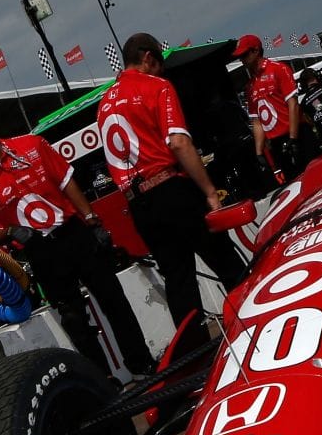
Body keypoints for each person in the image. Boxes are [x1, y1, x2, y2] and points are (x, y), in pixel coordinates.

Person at [0, 113, 155, 376]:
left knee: (113, 297)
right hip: (41, 252)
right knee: (74, 319)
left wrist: (92, 221)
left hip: (74, 233)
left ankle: (141, 363)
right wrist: (11, 232)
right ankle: (103, 381)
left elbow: (67, 182)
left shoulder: (32, 145)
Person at [98, 33, 249, 338]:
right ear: (149, 58)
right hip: (171, 189)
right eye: (159, 66)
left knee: (178, 280)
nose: (161, 72)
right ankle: (264, 319)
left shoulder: (103, 106)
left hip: (139, 204)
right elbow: (179, 142)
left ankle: (194, 357)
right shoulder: (156, 86)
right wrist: (209, 191)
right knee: (226, 261)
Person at [235, 35, 301, 181]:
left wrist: (293, 138)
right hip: (276, 144)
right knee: (292, 184)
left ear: (256, 51)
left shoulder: (279, 69)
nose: (242, 60)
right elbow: (256, 121)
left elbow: (293, 104)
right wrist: (259, 152)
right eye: (239, 56)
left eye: (244, 55)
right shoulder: (249, 87)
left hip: (295, 135)